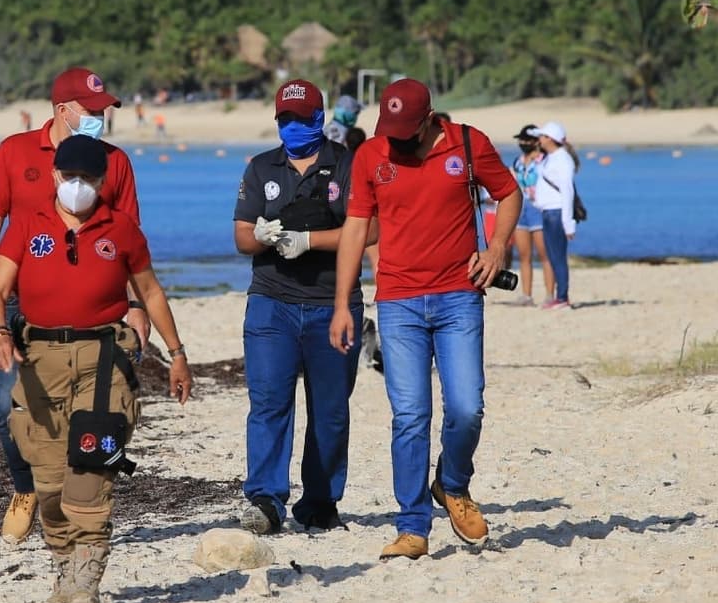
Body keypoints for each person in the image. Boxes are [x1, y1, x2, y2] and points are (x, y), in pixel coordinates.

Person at [0, 135, 192, 603]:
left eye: (89, 179)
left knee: (90, 470)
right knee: (51, 483)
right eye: (70, 176)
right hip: (40, 361)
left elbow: (152, 293)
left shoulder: (121, 229)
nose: (78, 186)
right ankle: (63, 561)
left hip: (103, 359)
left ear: (102, 182)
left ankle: (88, 577)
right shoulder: (26, 227)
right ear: (55, 175)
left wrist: (177, 354)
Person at [328, 78, 522, 559]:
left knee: (466, 407)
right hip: (398, 302)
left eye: (403, 130)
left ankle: (452, 484)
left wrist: (496, 247)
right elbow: (356, 229)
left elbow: (510, 193)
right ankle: (413, 526)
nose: (393, 139)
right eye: (387, 128)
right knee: (410, 416)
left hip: (460, 297)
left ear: (430, 118)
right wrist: (341, 304)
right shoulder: (371, 154)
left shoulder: (467, 143)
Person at [0, 66, 147, 548]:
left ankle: (76, 502)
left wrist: (135, 304)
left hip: (95, 312)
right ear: (63, 110)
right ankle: (26, 489)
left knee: (89, 412)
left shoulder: (116, 162)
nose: (100, 119)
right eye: (92, 111)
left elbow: (128, 240)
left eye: (104, 111)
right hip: (20, 299)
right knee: (9, 405)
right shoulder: (15, 151)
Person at [233, 78, 365, 535]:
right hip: (271, 303)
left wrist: (308, 241)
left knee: (330, 409)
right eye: (284, 119)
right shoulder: (260, 168)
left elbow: (368, 231)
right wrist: (263, 237)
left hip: (334, 302)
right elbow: (241, 236)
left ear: (319, 118)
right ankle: (266, 500)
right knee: (268, 403)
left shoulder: (348, 166)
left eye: (300, 118)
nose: (292, 126)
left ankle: (321, 501)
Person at [509, 124, 553, 305]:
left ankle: (550, 294)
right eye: (521, 140)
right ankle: (526, 295)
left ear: (536, 141)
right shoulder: (518, 162)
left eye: (526, 140)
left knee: (545, 255)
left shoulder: (545, 161)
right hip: (521, 208)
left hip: (538, 208)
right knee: (524, 255)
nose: (523, 143)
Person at [534, 121, 576, 309]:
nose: (539, 140)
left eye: (542, 136)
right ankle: (560, 296)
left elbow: (568, 191)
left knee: (558, 256)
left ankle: (563, 297)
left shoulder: (562, 159)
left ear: (550, 139)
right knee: (552, 255)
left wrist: (568, 223)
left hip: (556, 212)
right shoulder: (549, 158)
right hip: (548, 211)